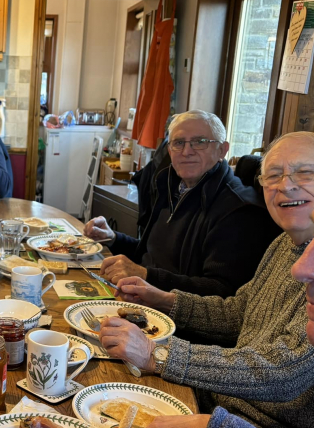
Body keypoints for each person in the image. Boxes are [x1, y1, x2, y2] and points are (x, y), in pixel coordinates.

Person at [127, 140, 314, 428]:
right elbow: (237, 313)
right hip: (222, 414)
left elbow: (282, 373)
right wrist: (167, 300)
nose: (286, 185)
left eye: (304, 172)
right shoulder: (282, 244)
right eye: (274, 174)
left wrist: (158, 354)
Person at [85, 110, 279, 297]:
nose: (187, 151)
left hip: (178, 324)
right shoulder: (170, 188)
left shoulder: (239, 211)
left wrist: (146, 276)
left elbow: (224, 293)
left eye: (200, 142)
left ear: (222, 149)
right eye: (178, 143)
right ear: (170, 150)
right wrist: (113, 238)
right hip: (140, 299)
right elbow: (152, 256)